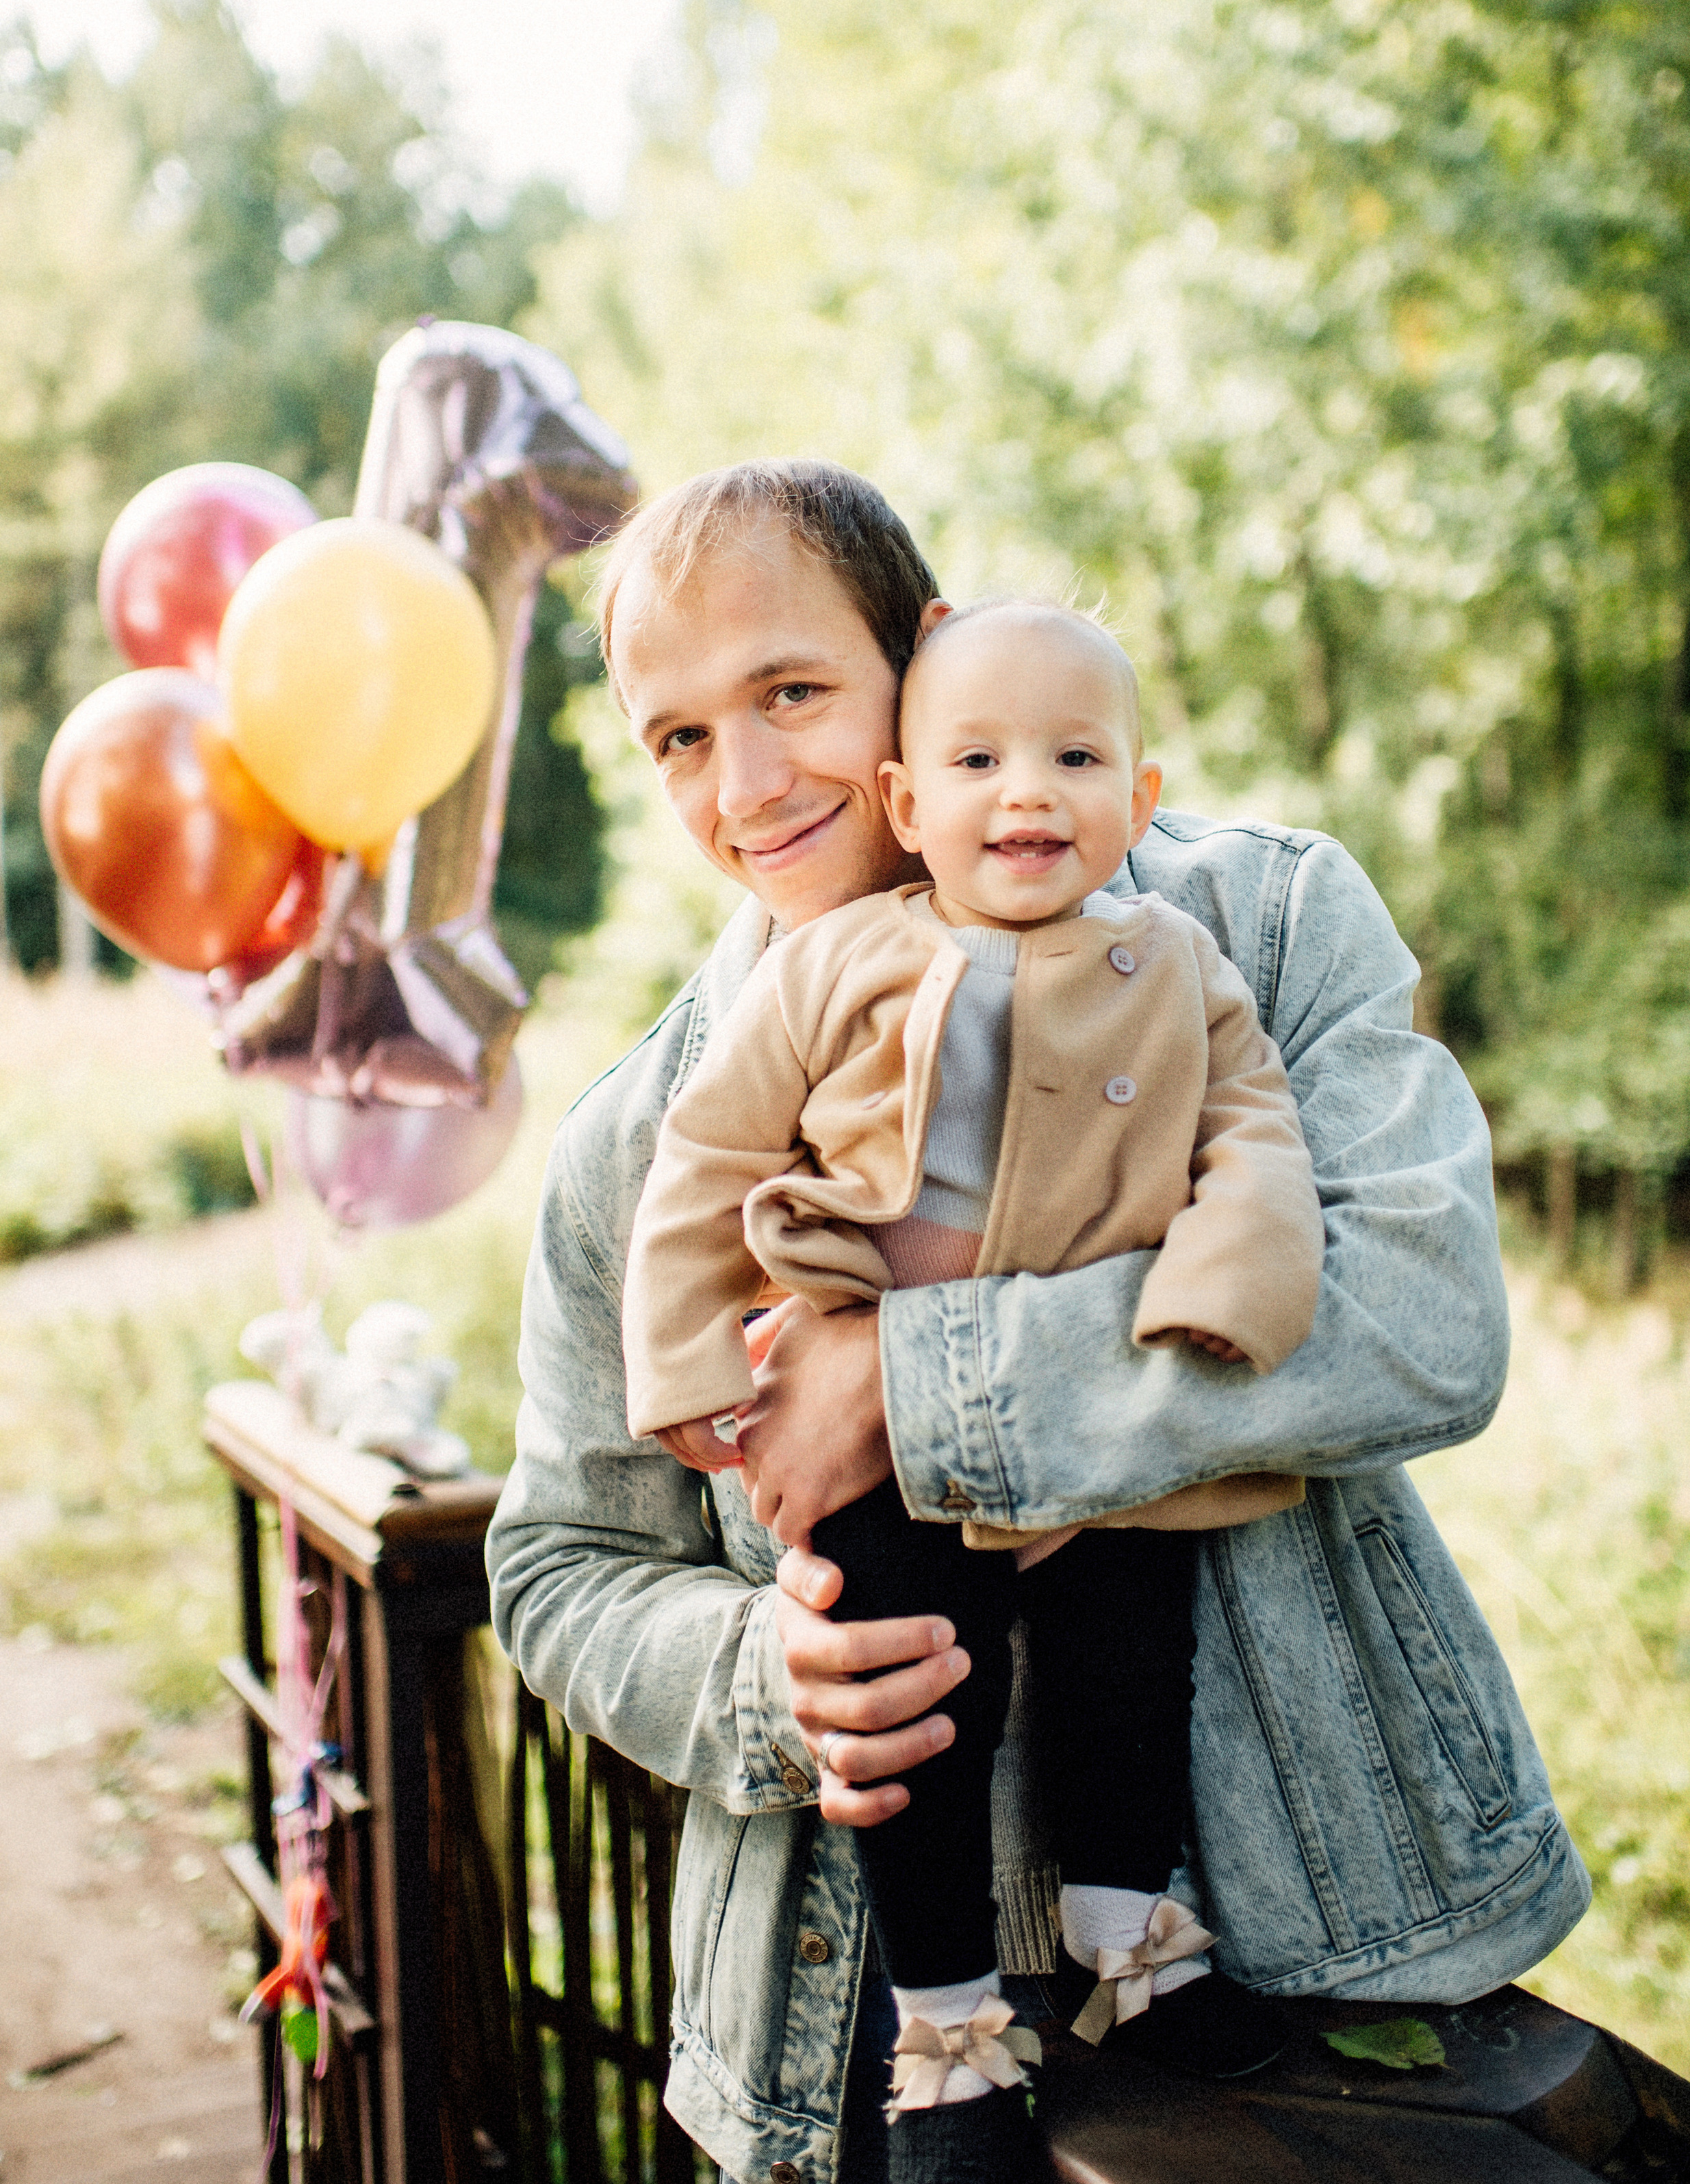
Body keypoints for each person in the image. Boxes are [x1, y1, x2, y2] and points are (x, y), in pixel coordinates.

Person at [487, 460, 1590, 2184]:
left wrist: (914, 1385)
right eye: (679, 739)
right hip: (851, 2014)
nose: (750, 785)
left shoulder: (1257, 926)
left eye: (788, 693)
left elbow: (1420, 1317)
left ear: (919, 668)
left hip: (1294, 1937)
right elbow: (557, 1566)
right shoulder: (645, 1133)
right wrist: (765, 1676)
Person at [620, 598, 1327, 2179]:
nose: (1026, 794)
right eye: (979, 761)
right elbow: (711, 1154)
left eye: (1074, 760)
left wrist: (1217, 1294)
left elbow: (1255, 1138)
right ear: (907, 802)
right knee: (919, 1710)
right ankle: (943, 2043)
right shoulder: (842, 964)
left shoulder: (1184, 963)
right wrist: (677, 1356)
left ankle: (1124, 1937)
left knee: (1136, 1664)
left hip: (1095, 1431)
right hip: (866, 1453)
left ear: (1136, 801)